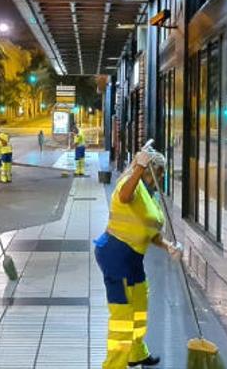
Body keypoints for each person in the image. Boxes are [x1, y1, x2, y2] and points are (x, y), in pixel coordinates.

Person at [94, 149, 181, 368]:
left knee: (140, 303)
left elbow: (149, 231)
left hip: (133, 258)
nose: (161, 177)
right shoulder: (130, 184)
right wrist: (139, 167)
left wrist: (168, 246)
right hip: (116, 254)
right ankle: (114, 365)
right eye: (159, 172)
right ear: (149, 169)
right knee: (122, 316)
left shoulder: (149, 195)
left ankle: (136, 353)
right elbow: (124, 196)